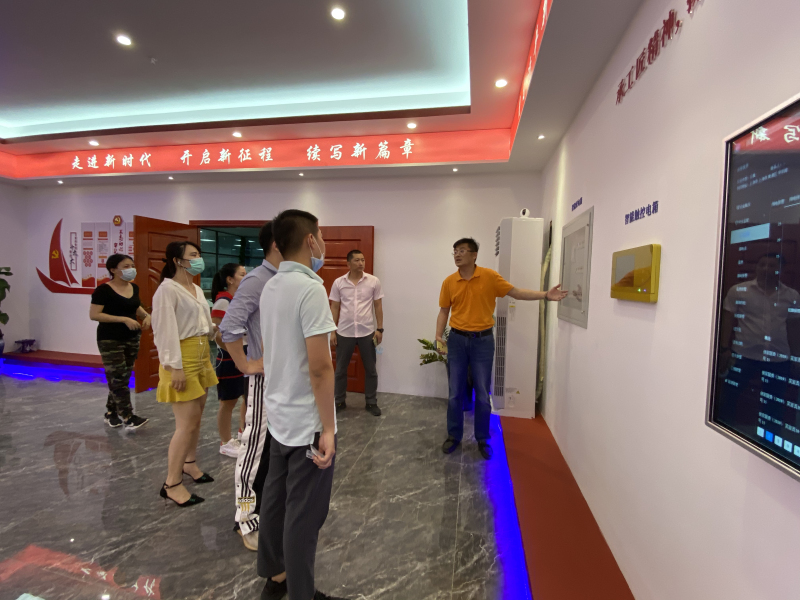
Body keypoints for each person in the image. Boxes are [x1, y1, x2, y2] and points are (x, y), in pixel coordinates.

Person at [258, 209, 348, 600]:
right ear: (310, 240)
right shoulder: (310, 290)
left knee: (275, 500)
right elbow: (321, 368)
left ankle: (276, 575)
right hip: (305, 422)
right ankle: (301, 592)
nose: (323, 242)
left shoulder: (271, 286)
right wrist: (327, 428)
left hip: (278, 416)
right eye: (321, 235)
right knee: (304, 515)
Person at [436, 237, 567, 459]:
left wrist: (545, 295)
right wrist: (439, 336)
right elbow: (443, 311)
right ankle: (454, 435)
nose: (457, 254)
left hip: (483, 342)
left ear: (474, 255)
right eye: (455, 251)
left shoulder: (489, 277)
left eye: (462, 250)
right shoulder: (449, 281)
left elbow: (516, 292)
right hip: (457, 340)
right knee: (455, 392)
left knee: (482, 393)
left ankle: (482, 438)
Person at [219, 222, 282, 552]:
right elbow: (228, 328)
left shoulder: (286, 279)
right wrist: (245, 365)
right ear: (278, 243)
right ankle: (245, 517)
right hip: (263, 381)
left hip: (284, 381)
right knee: (254, 450)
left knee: (270, 451)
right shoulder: (258, 280)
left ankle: (264, 509)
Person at [152, 240, 219, 508]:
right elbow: (164, 331)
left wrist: (214, 330)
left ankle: (189, 463)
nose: (198, 259)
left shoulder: (195, 288)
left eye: (198, 254)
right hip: (183, 358)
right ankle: (172, 483)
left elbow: (201, 322)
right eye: (193, 255)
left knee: (196, 418)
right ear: (177, 260)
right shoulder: (167, 290)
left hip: (202, 354)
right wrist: (175, 367)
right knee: (185, 424)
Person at [89, 253, 150, 430]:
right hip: (110, 339)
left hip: (131, 337)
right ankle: (128, 416)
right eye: (126, 266)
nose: (131, 269)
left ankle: (111, 412)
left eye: (132, 266)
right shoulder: (103, 290)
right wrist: (123, 319)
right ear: (113, 270)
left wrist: (146, 316)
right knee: (117, 377)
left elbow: (135, 307)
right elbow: (94, 315)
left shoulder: (134, 288)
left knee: (123, 376)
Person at [329, 249, 384, 416]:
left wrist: (380, 329)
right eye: (357, 260)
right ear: (348, 263)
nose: (361, 263)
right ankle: (339, 401)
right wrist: (332, 331)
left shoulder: (373, 281)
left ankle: (371, 402)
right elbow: (335, 307)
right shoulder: (339, 283)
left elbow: (378, 306)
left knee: (371, 369)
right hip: (344, 332)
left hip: (367, 332)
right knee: (340, 370)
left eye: (363, 260)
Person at [211, 262, 248, 458]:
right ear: (230, 279)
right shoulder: (223, 301)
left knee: (247, 396)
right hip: (229, 356)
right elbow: (218, 335)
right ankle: (225, 441)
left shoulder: (240, 299)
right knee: (228, 401)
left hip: (245, 352)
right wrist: (236, 355)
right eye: (242, 274)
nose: (246, 277)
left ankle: (243, 431)